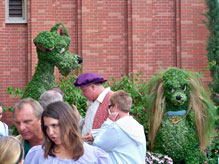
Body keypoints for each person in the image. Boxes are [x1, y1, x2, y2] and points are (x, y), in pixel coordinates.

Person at [24, 101, 109, 164]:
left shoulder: (95, 157)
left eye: (54, 126)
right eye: (46, 127)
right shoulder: (36, 155)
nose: (50, 132)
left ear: (68, 123)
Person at [93, 90, 146, 164]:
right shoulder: (138, 126)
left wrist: (108, 122)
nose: (109, 109)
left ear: (115, 107)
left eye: (110, 106)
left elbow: (98, 144)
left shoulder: (116, 128)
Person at [74, 73, 113, 142]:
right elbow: (87, 127)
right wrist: (78, 118)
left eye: (84, 90)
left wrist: (95, 135)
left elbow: (118, 128)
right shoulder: (92, 101)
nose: (82, 93)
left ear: (93, 87)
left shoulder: (113, 99)